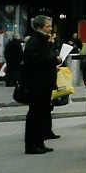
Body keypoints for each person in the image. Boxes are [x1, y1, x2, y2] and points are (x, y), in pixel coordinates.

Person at [22, 16, 61, 154]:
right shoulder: (36, 41)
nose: (50, 29)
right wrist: (54, 60)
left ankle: (39, 142)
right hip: (38, 84)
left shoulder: (42, 40)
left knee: (41, 114)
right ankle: (32, 145)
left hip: (43, 83)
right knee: (35, 114)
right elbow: (36, 61)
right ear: (40, 27)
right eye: (48, 26)